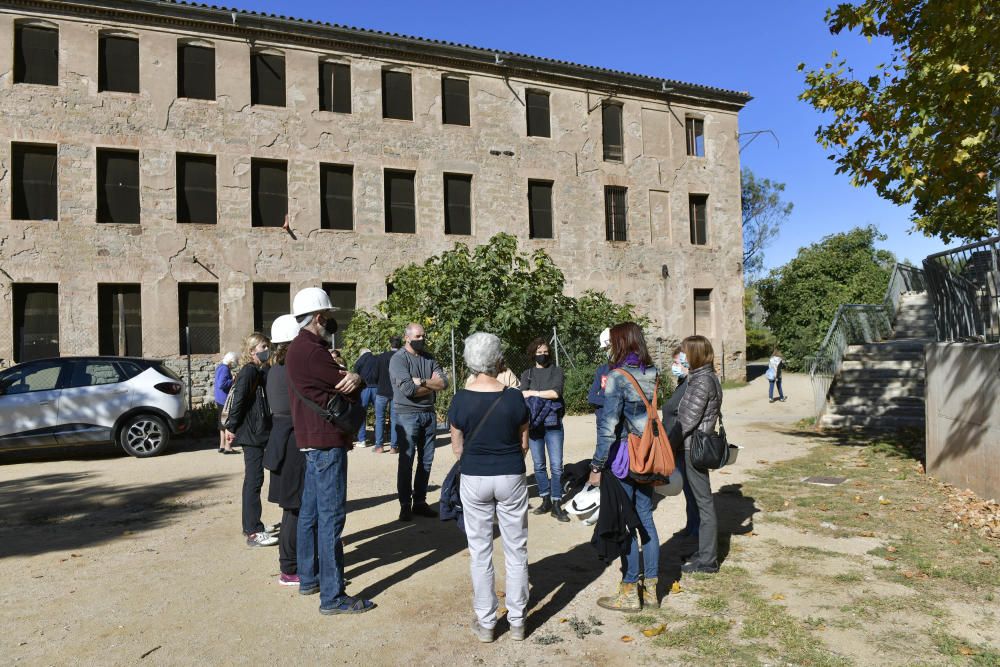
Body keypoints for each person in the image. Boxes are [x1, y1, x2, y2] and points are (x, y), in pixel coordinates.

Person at [286, 287, 374, 615]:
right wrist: (354, 376)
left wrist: (349, 376)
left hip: (313, 441)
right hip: (325, 442)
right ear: (319, 318)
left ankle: (309, 578)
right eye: (328, 317)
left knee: (311, 514)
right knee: (331, 518)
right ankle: (333, 596)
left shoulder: (299, 349)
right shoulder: (312, 351)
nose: (330, 322)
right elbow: (346, 385)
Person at [448, 333, 530, 643]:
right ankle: (519, 620)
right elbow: (524, 443)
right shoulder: (514, 397)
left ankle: (486, 622)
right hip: (510, 474)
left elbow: (457, 448)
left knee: (480, 551)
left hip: (474, 476)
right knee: (516, 548)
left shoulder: (460, 399)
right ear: (498, 360)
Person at [589, 322, 661, 611]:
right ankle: (653, 590)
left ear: (620, 343)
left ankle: (630, 590)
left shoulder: (618, 376)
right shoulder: (652, 372)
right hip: (648, 455)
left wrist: (596, 465)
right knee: (646, 519)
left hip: (623, 458)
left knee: (626, 522)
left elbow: (608, 427)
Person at [389, 323, 449, 521]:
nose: (421, 339)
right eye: (417, 336)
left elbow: (444, 383)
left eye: (423, 336)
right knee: (406, 461)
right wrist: (432, 385)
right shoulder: (398, 359)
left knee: (426, 460)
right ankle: (405, 504)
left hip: (428, 414)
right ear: (407, 338)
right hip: (407, 414)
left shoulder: (429, 357)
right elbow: (408, 390)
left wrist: (421, 381)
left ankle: (420, 501)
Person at [264, 315, 306, 586]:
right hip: (291, 442)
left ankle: (293, 564)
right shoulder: (289, 368)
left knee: (293, 508)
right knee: (294, 508)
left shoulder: (276, 368)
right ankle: (290, 568)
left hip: (283, 440)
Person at [225, 332, 276, 547]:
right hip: (252, 433)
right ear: (252, 350)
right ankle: (253, 531)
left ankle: (255, 526)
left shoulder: (259, 370)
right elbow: (238, 401)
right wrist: (231, 427)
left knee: (256, 479)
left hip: (259, 431)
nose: (267, 350)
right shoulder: (248, 371)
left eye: (268, 346)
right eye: (263, 346)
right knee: (254, 480)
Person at [677, 334, 723, 574]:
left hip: (692, 446)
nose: (682, 356)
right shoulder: (705, 377)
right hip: (694, 444)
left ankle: (708, 561)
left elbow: (688, 419)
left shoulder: (702, 381)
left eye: (685, 352)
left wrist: (668, 439)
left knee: (704, 503)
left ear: (694, 354)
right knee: (700, 501)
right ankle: (704, 552)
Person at [520, 337, 568, 522]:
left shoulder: (557, 371)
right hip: (534, 426)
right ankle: (545, 498)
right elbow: (522, 394)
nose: (543, 355)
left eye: (545, 352)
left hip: (554, 424)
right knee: (539, 465)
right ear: (533, 354)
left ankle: (557, 502)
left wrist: (534, 393)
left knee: (556, 465)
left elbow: (556, 393)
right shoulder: (527, 374)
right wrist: (538, 394)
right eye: (539, 352)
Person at [662, 347, 699, 537]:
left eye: (677, 362)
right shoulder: (682, 382)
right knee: (688, 489)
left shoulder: (692, 385)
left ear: (687, 363)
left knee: (693, 489)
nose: (673, 366)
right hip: (676, 444)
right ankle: (691, 525)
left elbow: (684, 417)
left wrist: (670, 443)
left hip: (683, 444)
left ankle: (697, 529)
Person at [373, 336, 402, 454]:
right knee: (395, 419)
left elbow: (375, 375)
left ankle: (379, 446)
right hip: (396, 392)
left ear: (390, 344)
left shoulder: (380, 357)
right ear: (399, 344)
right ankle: (394, 447)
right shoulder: (401, 357)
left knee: (379, 419)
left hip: (381, 391)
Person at [352, 348, 379, 447]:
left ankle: (362, 439)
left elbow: (356, 375)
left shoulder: (360, 360)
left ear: (361, 353)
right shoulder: (377, 358)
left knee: (361, 414)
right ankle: (378, 440)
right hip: (377, 389)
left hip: (364, 389)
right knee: (379, 415)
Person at [587, 328, 612, 428]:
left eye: (607, 348)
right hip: (602, 421)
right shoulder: (602, 370)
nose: (607, 351)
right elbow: (591, 397)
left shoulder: (626, 369)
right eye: (605, 349)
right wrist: (614, 401)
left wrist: (601, 398)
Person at [214, 351, 238, 454]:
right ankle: (228, 447)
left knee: (222, 424)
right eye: (234, 362)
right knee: (227, 422)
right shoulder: (224, 369)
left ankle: (222, 445)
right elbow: (222, 384)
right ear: (231, 361)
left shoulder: (220, 367)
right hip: (225, 400)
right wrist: (233, 380)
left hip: (219, 399)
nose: (235, 364)